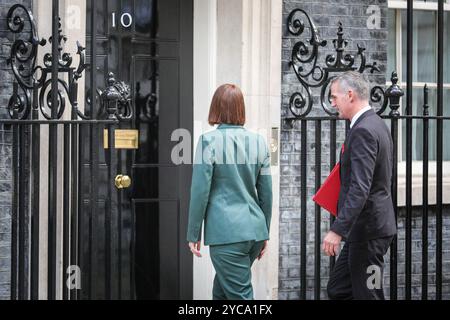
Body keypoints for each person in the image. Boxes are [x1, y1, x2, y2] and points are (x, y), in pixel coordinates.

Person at [186, 84, 273, 300]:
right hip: (254, 231)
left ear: (215, 107)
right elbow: (266, 193)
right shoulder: (259, 142)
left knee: (240, 297)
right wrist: (264, 233)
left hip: (227, 235)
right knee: (222, 295)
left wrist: (193, 233)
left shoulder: (208, 141)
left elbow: (200, 191)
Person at [323, 71, 397, 300]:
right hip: (368, 232)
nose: (332, 102)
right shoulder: (375, 124)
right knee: (339, 289)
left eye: (335, 97)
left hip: (369, 234)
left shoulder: (364, 130)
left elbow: (360, 187)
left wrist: (336, 231)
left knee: (370, 294)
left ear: (350, 95)